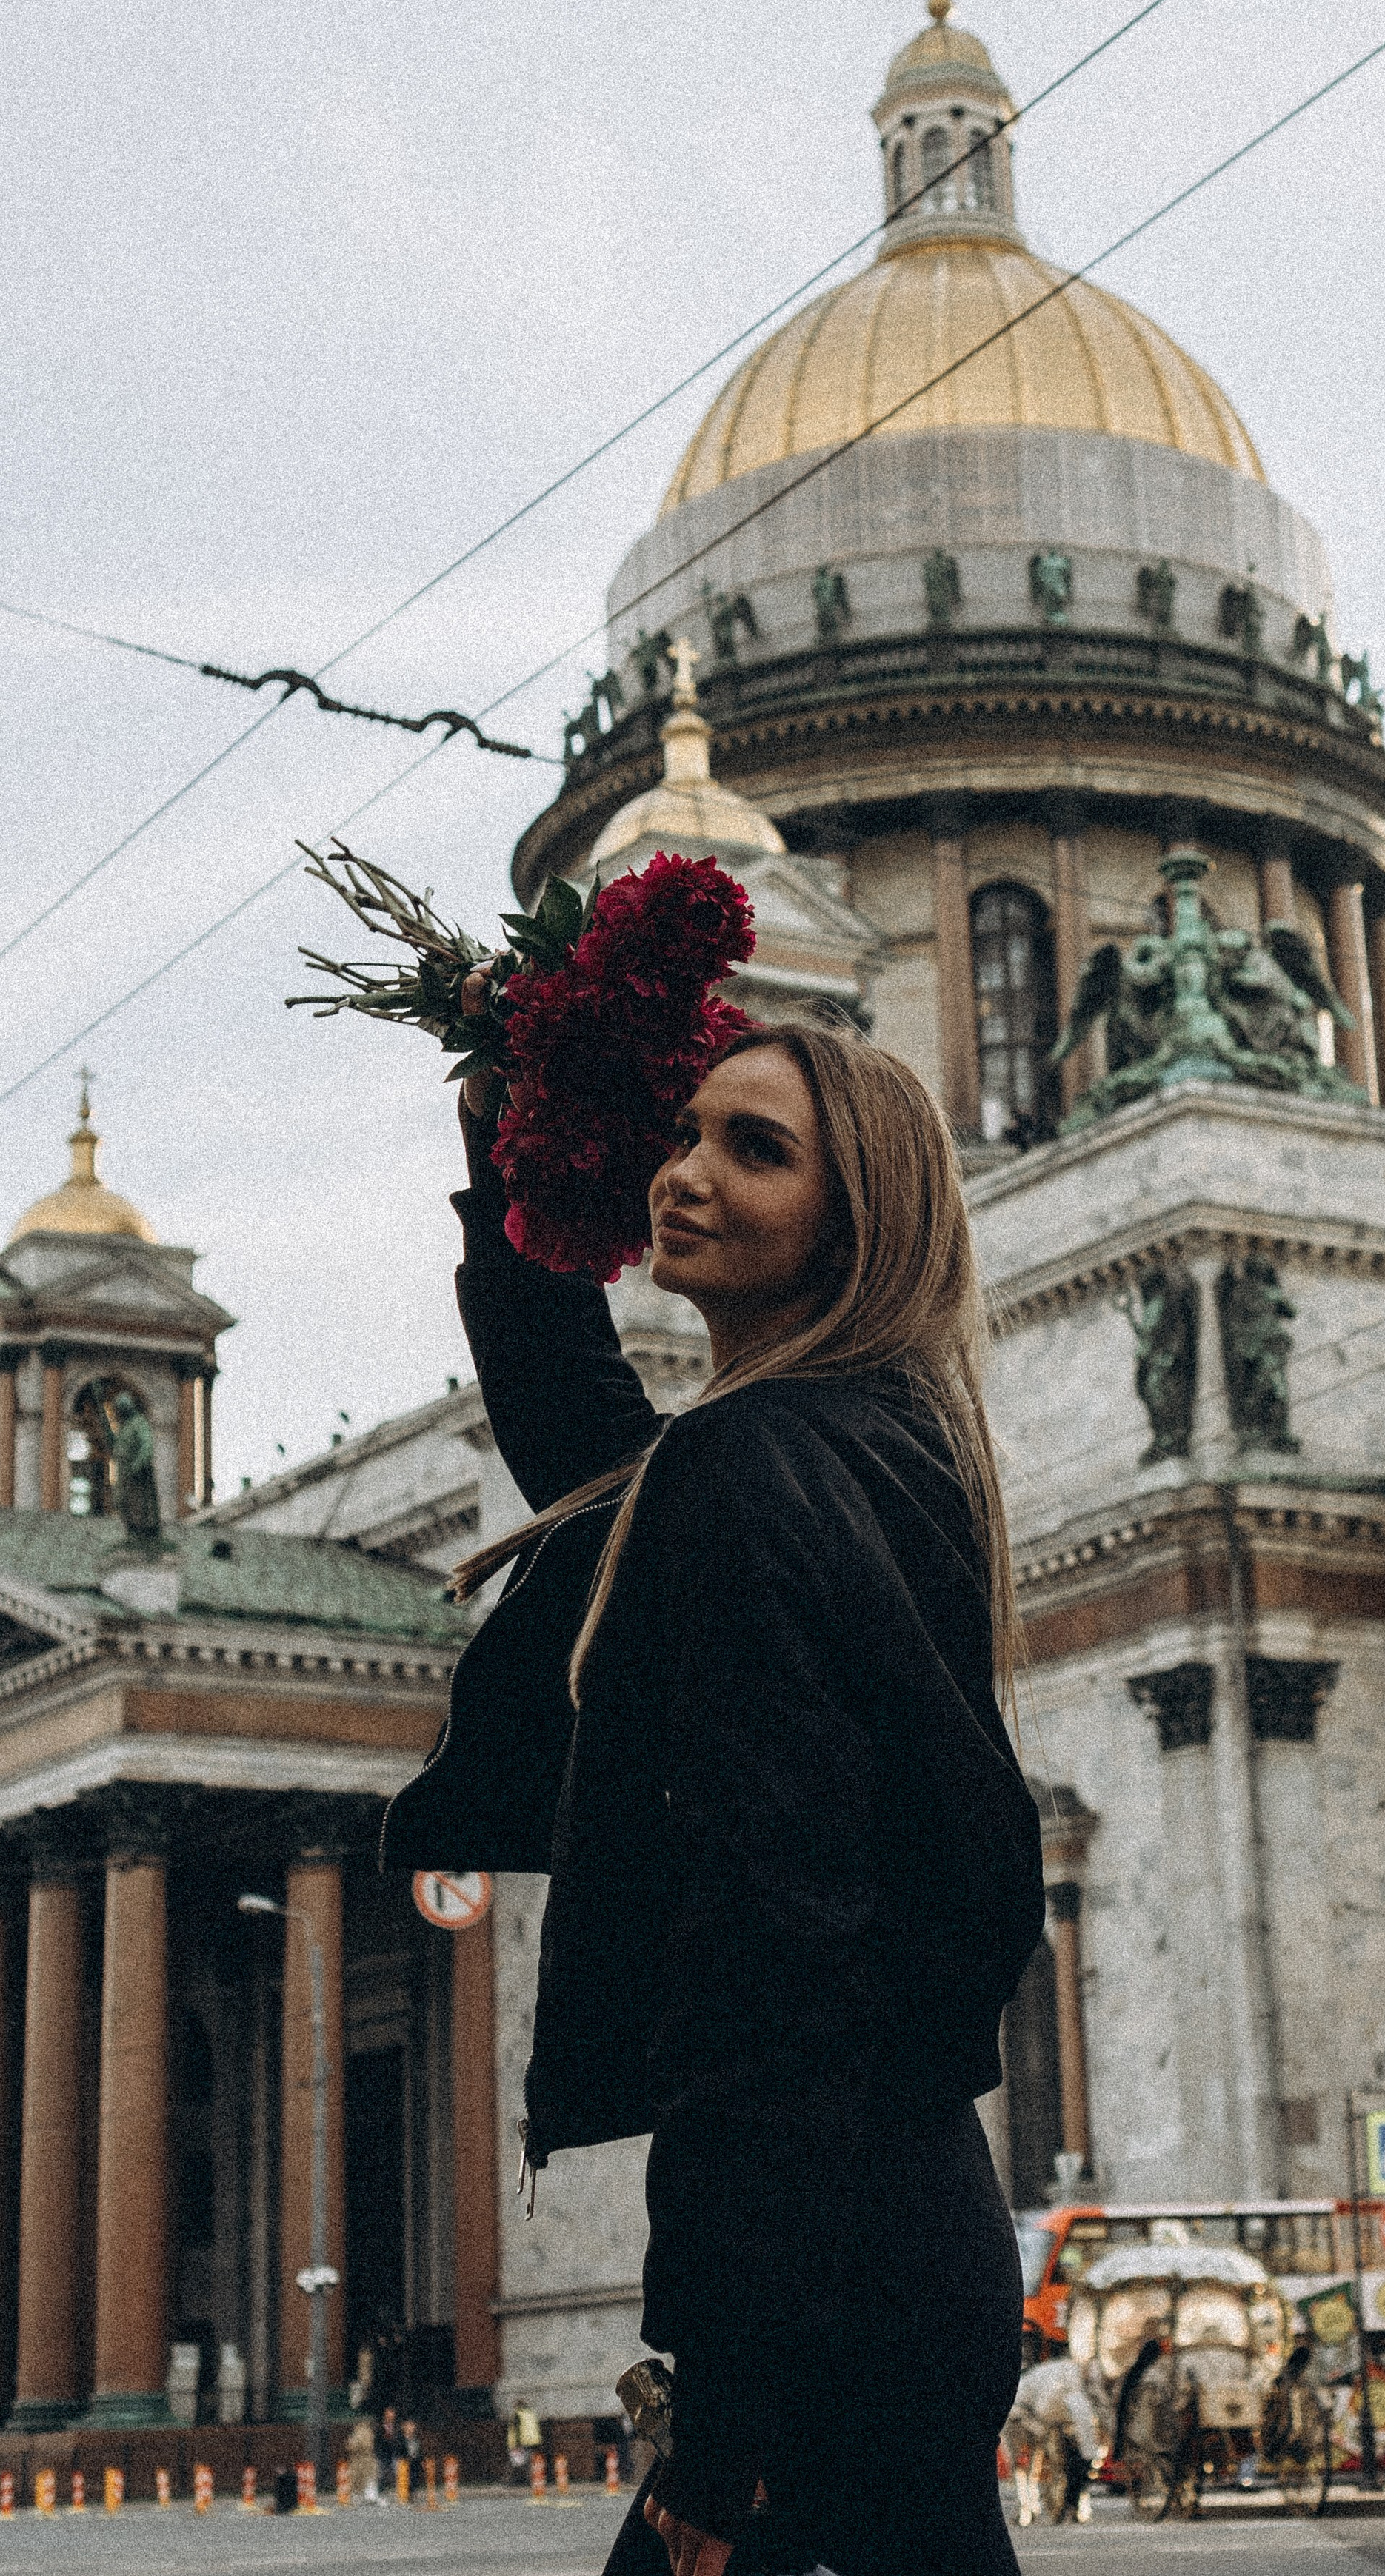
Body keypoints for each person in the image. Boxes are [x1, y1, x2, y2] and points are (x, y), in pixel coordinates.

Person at [383, 1016, 1046, 2576]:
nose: (683, 1173)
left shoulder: (757, 1466)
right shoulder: (868, 1444)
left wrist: (728, 2411)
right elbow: (583, 1438)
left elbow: (776, 1951)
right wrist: (514, 1164)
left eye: (756, 1149)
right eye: (684, 1132)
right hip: (896, 2233)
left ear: (855, 1219)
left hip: (830, 2283)